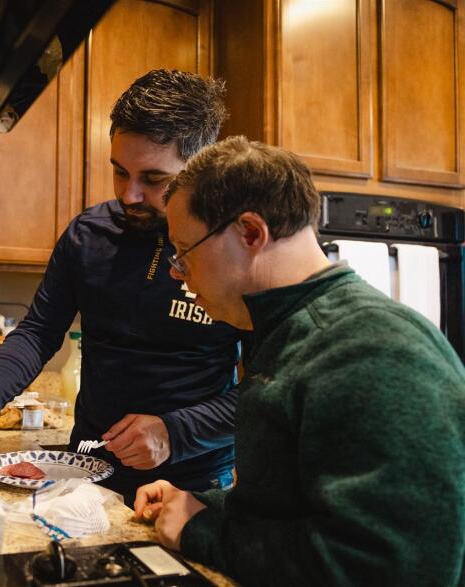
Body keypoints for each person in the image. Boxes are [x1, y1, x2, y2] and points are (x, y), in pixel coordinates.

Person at [134, 136, 465, 585]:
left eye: (184, 252)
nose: (177, 272)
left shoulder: (371, 352)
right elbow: (296, 502)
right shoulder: (290, 332)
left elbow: (389, 567)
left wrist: (204, 532)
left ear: (250, 233)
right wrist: (199, 504)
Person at [0, 70, 243, 502]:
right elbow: (39, 331)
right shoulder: (88, 235)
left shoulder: (231, 249)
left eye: (153, 180)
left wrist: (174, 433)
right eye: (118, 172)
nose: (129, 195)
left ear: (201, 169)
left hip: (194, 481)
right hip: (89, 467)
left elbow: (268, 390)